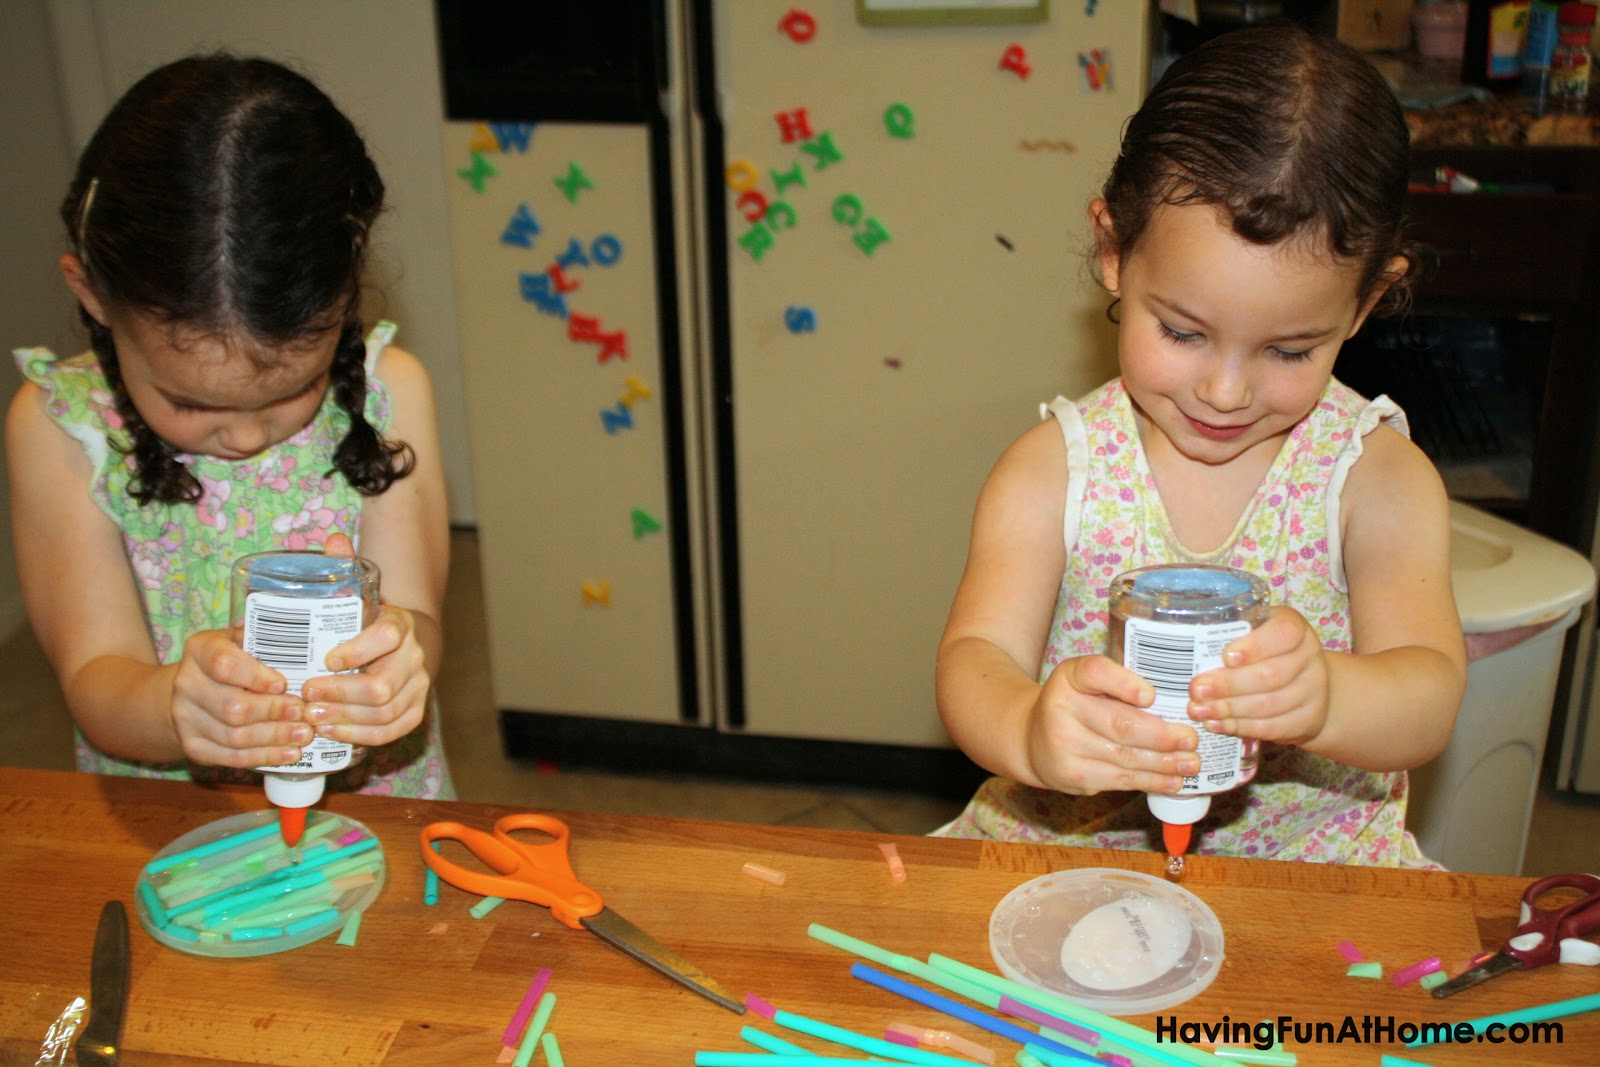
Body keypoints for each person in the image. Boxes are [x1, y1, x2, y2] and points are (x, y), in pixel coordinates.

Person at [934, 25, 1466, 866]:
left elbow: (1430, 696)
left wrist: (1328, 694)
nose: (1225, 391)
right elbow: (975, 661)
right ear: (1114, 249)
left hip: (1313, 873)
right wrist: (1031, 732)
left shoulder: (1378, 480)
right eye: (1182, 331)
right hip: (1072, 851)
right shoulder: (1050, 472)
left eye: (1289, 351)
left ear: (1366, 303)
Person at [6, 54, 454, 799]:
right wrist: (175, 703)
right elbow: (95, 677)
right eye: (190, 403)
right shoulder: (61, 430)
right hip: (168, 812)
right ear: (92, 296)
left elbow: (422, 624)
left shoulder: (390, 394)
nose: (246, 439)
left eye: (299, 387)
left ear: (343, 299)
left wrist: (401, 658)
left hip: (376, 810)